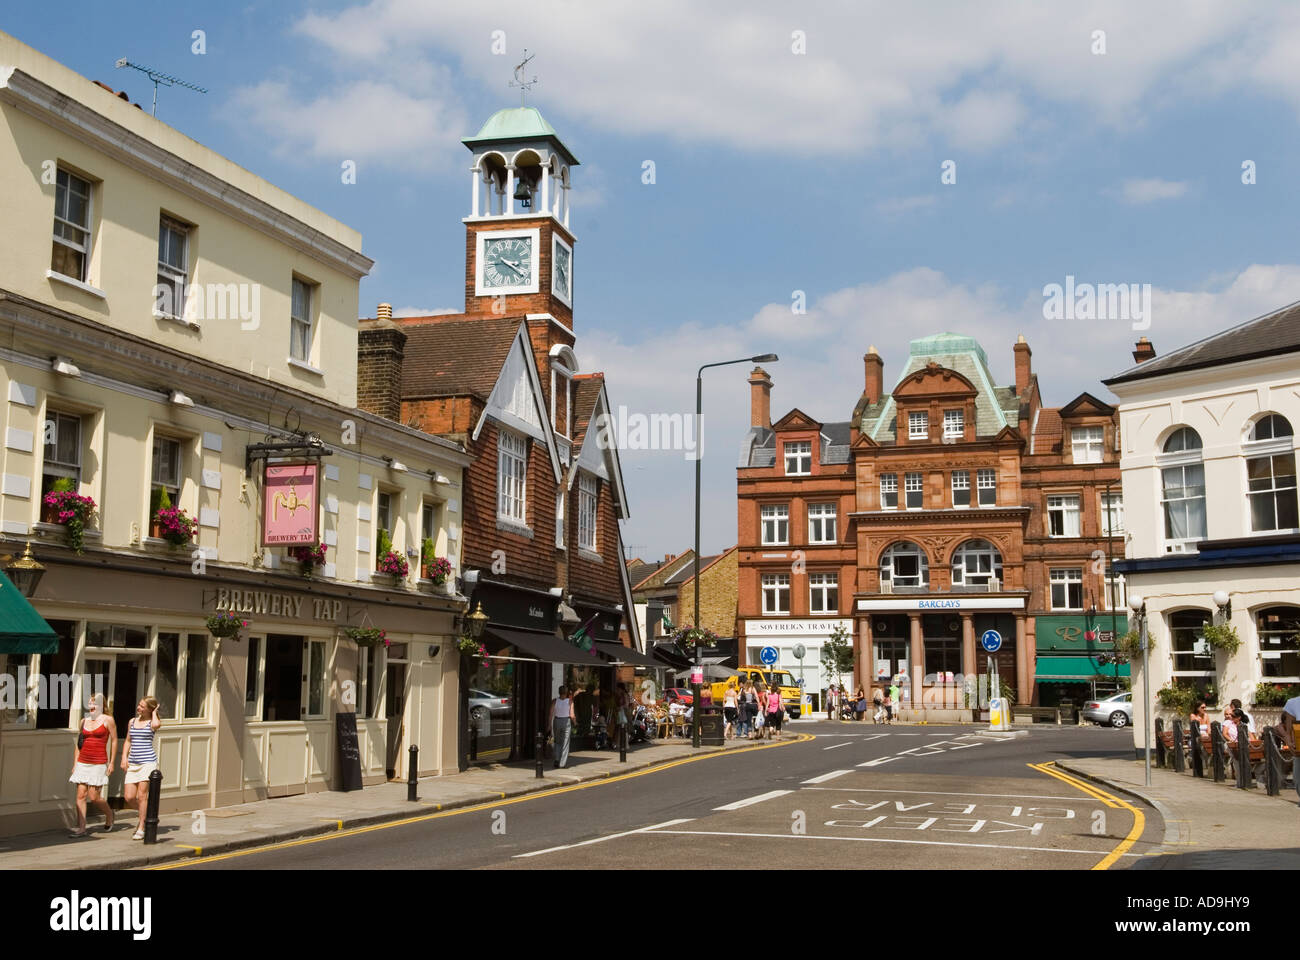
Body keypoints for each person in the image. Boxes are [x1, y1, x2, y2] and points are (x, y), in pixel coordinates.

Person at [69, 692, 116, 836]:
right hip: (83, 761)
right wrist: (75, 763)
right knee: (80, 795)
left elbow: (114, 741)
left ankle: (109, 815)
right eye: (90, 702)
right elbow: (79, 744)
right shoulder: (84, 721)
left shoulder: (108, 720)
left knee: (94, 796)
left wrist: (112, 762)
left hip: (98, 761)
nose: (91, 705)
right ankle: (82, 828)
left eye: (95, 703)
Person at [121, 696, 161, 840]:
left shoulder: (152, 722)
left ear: (149, 709)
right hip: (133, 762)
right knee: (129, 797)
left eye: (142, 706)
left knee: (142, 796)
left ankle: (142, 827)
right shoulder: (132, 721)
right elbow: (128, 740)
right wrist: (124, 757)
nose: (139, 708)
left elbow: (156, 726)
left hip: (147, 762)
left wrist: (155, 712)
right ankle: (147, 815)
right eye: (139, 705)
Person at [1279, 692, 1300, 803]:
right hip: (1299, 749)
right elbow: (1287, 729)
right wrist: (1288, 741)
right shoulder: (1293, 703)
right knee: (1298, 781)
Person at [548, 685, 574, 768]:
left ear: (559, 692)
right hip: (566, 722)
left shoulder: (554, 701)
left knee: (557, 741)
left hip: (557, 721)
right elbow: (572, 715)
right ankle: (562, 763)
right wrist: (575, 722)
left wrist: (549, 725)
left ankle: (556, 759)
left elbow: (550, 714)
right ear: (566, 693)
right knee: (565, 743)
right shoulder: (570, 701)